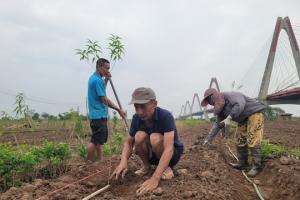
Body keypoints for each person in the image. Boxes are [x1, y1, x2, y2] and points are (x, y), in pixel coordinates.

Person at [111, 87, 184, 195]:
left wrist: (155, 179)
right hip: (152, 155)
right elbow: (129, 142)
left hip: (171, 155)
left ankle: (167, 168)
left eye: (143, 107)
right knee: (139, 136)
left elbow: (169, 149)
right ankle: (146, 166)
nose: (139, 112)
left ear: (154, 104)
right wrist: (123, 161)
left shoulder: (166, 116)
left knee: (155, 137)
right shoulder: (136, 118)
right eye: (136, 107)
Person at [201, 88, 265, 177]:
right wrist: (208, 139)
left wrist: (229, 118)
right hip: (243, 119)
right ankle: (242, 164)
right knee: (239, 140)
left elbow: (240, 105)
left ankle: (256, 166)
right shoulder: (221, 109)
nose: (210, 103)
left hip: (254, 113)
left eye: (209, 100)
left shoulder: (231, 95)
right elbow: (217, 125)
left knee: (253, 139)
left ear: (213, 96)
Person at [87, 58, 126, 161]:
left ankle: (100, 160)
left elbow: (101, 89)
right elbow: (104, 99)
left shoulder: (94, 78)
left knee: (99, 141)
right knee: (95, 142)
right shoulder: (97, 80)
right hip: (98, 115)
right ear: (99, 67)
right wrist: (118, 110)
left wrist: (107, 79)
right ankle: (88, 164)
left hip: (97, 115)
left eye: (109, 68)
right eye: (106, 68)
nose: (108, 71)